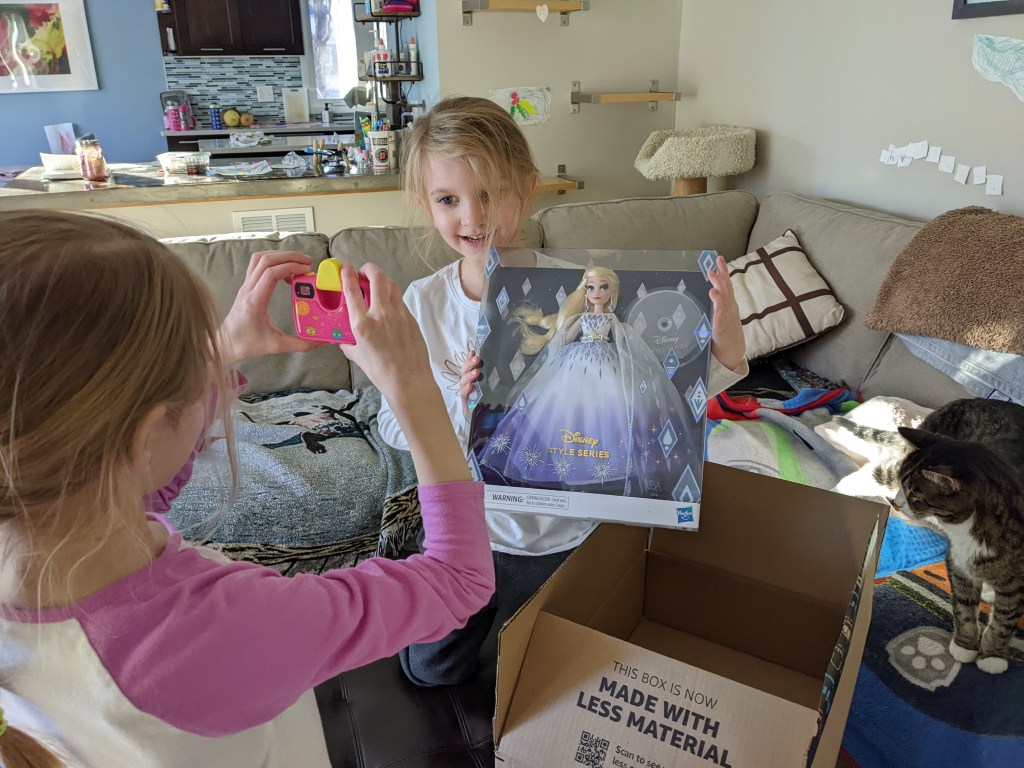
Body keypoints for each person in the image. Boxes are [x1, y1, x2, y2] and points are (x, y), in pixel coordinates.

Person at [0, 210, 494, 767]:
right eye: (194, 363)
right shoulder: (215, 630)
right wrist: (413, 386)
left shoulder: (44, 539)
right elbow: (460, 580)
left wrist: (222, 350)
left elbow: (137, 488)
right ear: (146, 435)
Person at [377, 96, 750, 688]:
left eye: (491, 193)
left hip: (568, 531)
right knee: (429, 672)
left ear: (528, 188)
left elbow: (650, 388)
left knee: (550, 671)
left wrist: (724, 346)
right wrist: (457, 405)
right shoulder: (422, 303)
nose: (473, 217)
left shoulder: (578, 285)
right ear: (426, 204)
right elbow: (390, 425)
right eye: (449, 200)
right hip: (467, 531)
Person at [478, 265, 703, 497]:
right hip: (578, 360)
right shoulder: (583, 317)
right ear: (584, 291)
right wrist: (561, 344)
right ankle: (566, 459)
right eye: (591, 287)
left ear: (611, 292)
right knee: (563, 403)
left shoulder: (611, 319)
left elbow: (623, 341)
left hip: (605, 361)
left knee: (612, 401)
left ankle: (608, 461)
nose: (596, 292)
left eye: (603, 287)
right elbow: (567, 337)